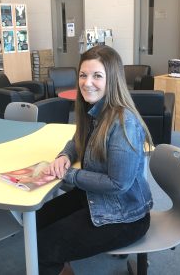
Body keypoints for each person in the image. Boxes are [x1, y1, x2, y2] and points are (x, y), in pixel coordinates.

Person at [37, 45, 153, 275]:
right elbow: (78, 140)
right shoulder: (95, 108)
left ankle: (56, 260)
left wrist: (68, 175)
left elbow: (117, 184)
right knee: (38, 221)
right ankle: (62, 264)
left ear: (113, 80)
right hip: (96, 198)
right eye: (83, 75)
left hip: (125, 215)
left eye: (97, 76)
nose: (87, 82)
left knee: (44, 246)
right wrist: (65, 156)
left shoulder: (123, 123)